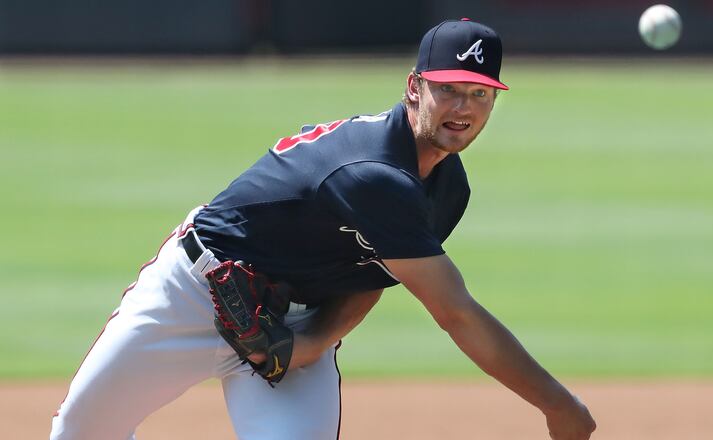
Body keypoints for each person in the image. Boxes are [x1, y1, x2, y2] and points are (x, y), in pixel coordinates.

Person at [51, 18, 596, 440]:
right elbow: (455, 313)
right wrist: (556, 403)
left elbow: (370, 276)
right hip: (191, 297)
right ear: (413, 86)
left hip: (295, 323)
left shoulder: (447, 189)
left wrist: (311, 343)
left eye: (480, 94)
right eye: (449, 88)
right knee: (80, 432)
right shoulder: (373, 175)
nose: (464, 108)